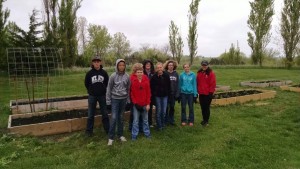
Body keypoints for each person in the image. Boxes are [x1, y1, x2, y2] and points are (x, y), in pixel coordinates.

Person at [106, 59, 131, 146]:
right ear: (117, 66)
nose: (121, 67)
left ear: (125, 66)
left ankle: (120, 135)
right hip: (115, 99)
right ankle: (111, 137)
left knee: (121, 117)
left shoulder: (127, 76)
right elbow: (109, 88)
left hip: (123, 99)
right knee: (114, 118)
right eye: (120, 65)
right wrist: (108, 101)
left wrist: (128, 100)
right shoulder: (113, 76)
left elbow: (128, 89)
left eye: (123, 65)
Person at [84, 55, 110, 137]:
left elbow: (107, 83)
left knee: (105, 113)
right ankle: (89, 131)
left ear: (100, 62)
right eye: (95, 62)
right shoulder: (89, 73)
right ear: (93, 63)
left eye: (98, 62)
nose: (96, 63)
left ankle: (108, 130)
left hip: (102, 96)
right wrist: (91, 90)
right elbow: (86, 83)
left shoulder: (104, 73)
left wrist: (103, 90)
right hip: (92, 96)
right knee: (90, 114)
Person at [130, 63, 151, 140]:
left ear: (143, 72)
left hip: (145, 104)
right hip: (136, 105)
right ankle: (134, 135)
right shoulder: (134, 81)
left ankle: (147, 134)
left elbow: (148, 92)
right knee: (135, 121)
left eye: (141, 72)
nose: (139, 73)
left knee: (145, 120)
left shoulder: (146, 79)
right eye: (138, 72)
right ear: (135, 73)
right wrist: (135, 103)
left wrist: (148, 104)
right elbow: (132, 94)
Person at [150, 62, 171, 131]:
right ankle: (159, 126)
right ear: (156, 69)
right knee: (158, 111)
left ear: (163, 68)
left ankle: (163, 124)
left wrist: (169, 94)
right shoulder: (154, 77)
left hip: (165, 96)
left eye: (160, 67)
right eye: (158, 68)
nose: (159, 69)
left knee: (164, 111)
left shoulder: (166, 75)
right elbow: (152, 88)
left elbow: (169, 86)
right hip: (157, 96)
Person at [196, 60, 216, 126]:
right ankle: (204, 119)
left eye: (205, 65)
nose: (204, 66)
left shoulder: (211, 73)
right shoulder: (199, 73)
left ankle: (206, 121)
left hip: (208, 94)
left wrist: (211, 93)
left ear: (207, 65)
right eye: (203, 65)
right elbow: (197, 82)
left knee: (206, 107)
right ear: (201, 65)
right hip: (201, 93)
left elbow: (213, 84)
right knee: (202, 107)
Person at [163, 60, 180, 125]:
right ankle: (166, 120)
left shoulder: (176, 74)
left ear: (174, 66)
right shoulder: (165, 73)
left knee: (172, 107)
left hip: (173, 94)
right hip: (166, 94)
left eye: (172, 65)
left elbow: (178, 84)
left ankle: (171, 120)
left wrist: (177, 93)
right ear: (167, 66)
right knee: (166, 107)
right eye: (169, 65)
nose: (170, 66)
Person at [143, 60, 155, 127]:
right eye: (147, 64)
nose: (148, 65)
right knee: (143, 108)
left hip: (151, 93)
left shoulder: (153, 73)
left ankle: (150, 123)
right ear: (144, 65)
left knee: (149, 108)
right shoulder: (142, 72)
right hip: (143, 93)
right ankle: (143, 122)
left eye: (149, 64)